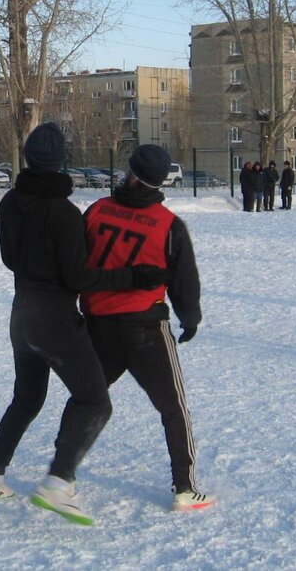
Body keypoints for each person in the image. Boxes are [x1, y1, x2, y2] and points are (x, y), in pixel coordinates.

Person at [0, 123, 167, 525]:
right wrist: (135, 276)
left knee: (26, 400)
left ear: (28, 158)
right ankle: (58, 483)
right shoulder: (64, 213)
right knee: (95, 401)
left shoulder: (9, 202)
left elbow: (10, 259)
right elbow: (80, 279)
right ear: (60, 160)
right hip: (55, 321)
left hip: (21, 317)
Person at [81, 144, 216, 512]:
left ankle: (62, 476)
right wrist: (190, 317)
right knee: (174, 408)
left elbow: (76, 264)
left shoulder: (96, 210)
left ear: (131, 172)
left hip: (99, 323)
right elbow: (184, 279)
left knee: (87, 400)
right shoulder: (169, 224)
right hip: (146, 326)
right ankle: (185, 487)